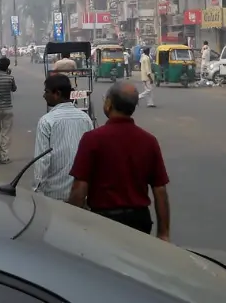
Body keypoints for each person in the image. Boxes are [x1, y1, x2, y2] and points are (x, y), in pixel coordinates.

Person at [68, 82, 170, 240]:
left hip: (103, 221)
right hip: (139, 221)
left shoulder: (93, 139)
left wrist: (72, 226)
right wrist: (163, 234)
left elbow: (79, 188)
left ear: (109, 103)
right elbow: (160, 190)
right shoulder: (149, 141)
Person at [33, 74, 94, 201]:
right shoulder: (85, 118)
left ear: (57, 94)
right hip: (81, 195)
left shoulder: (47, 121)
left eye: (47, 92)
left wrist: (37, 191)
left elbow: (42, 160)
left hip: (55, 195)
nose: (44, 95)